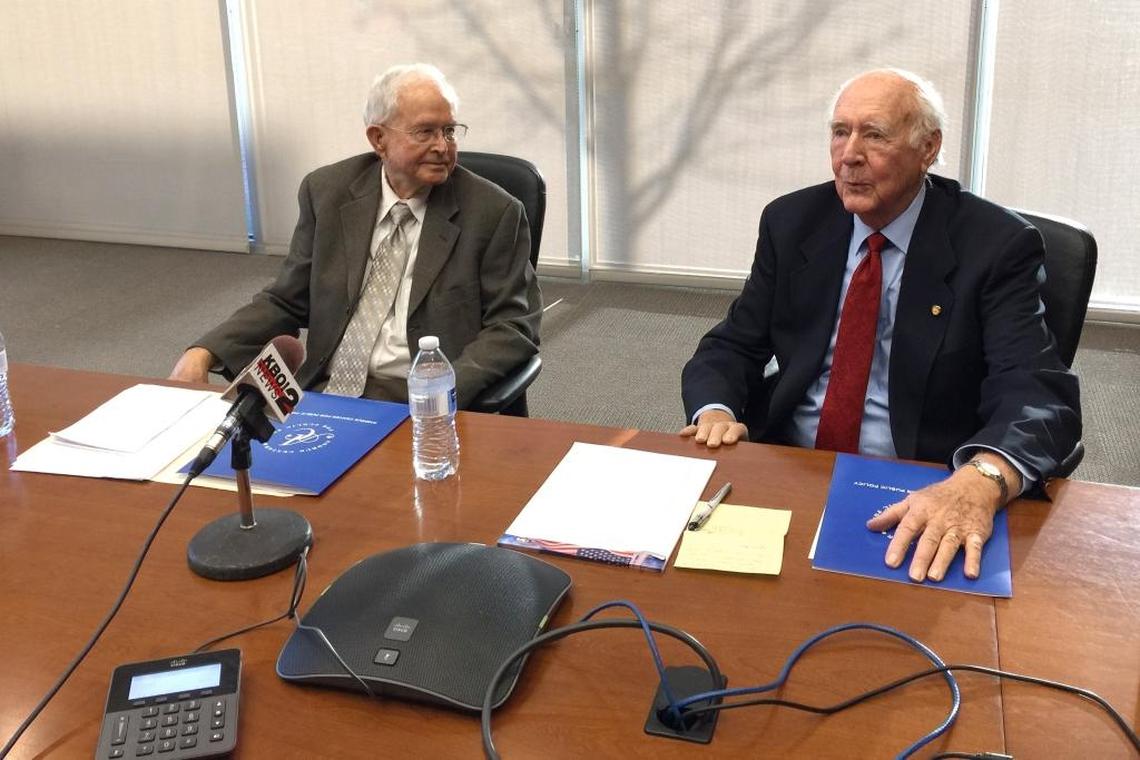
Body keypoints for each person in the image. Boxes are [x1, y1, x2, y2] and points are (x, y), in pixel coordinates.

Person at [680, 68, 1080, 584]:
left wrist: (980, 480)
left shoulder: (996, 246)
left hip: (921, 480)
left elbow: (1037, 391)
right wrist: (716, 408)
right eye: (840, 132)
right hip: (790, 464)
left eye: (874, 135)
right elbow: (734, 343)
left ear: (928, 148)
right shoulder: (792, 222)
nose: (849, 154)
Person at [170, 63, 540, 409]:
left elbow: (512, 328)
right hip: (323, 387)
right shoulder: (327, 191)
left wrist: (442, 391)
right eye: (425, 131)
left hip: (416, 397)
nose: (443, 146)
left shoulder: (494, 212)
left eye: (449, 131)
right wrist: (204, 352)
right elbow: (286, 300)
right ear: (378, 139)